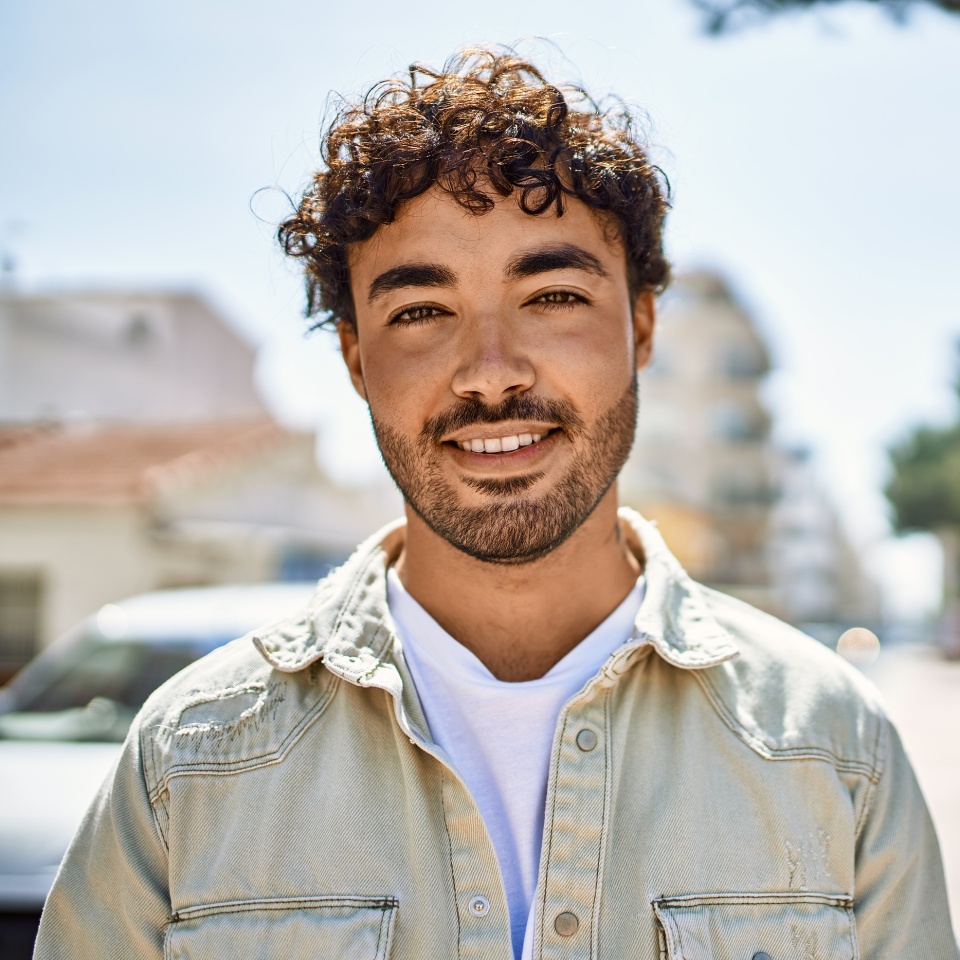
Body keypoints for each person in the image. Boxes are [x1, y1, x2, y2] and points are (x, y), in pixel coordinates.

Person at [35, 47, 957, 960]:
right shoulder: (189, 760)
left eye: (551, 295)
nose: (491, 375)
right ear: (356, 361)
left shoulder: (837, 746)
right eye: (421, 311)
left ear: (639, 327)